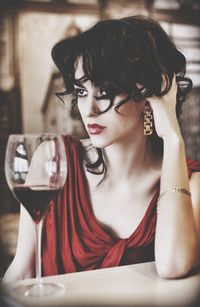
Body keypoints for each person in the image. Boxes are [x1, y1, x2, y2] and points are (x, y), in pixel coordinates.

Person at [3, 15, 200, 282]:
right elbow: (22, 271)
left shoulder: (192, 185)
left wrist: (173, 139)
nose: (89, 110)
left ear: (149, 94)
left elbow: (173, 265)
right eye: (82, 92)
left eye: (105, 90)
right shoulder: (53, 160)